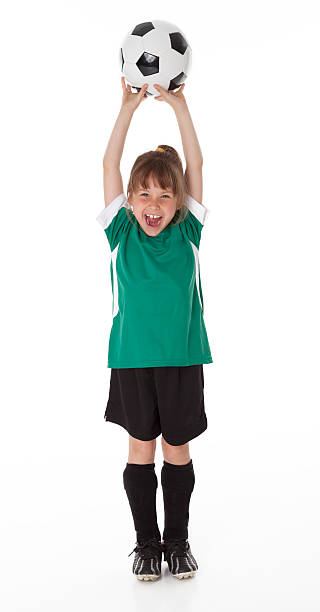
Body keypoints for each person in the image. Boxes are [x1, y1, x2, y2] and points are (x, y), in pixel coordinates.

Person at [96, 77, 213, 581]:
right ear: (129, 199)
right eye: (143, 193)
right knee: (140, 449)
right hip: (132, 359)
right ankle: (146, 545)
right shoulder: (120, 231)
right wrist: (127, 107)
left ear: (179, 202)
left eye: (165, 195)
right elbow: (108, 165)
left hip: (182, 358)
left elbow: (197, 166)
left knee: (177, 451)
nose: (154, 203)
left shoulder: (188, 230)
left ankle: (178, 542)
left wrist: (180, 105)